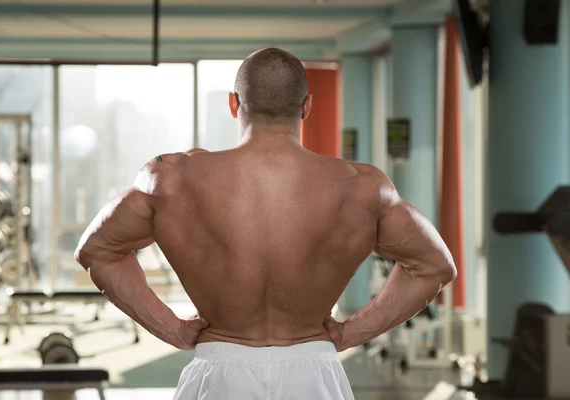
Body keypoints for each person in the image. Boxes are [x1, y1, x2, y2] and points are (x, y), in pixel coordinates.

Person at [75, 48, 457, 400]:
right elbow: (435, 267)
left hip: (219, 371)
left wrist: (170, 328)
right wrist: (352, 331)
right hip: (314, 372)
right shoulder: (363, 188)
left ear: (233, 104)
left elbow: (97, 252)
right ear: (307, 106)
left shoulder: (171, 179)